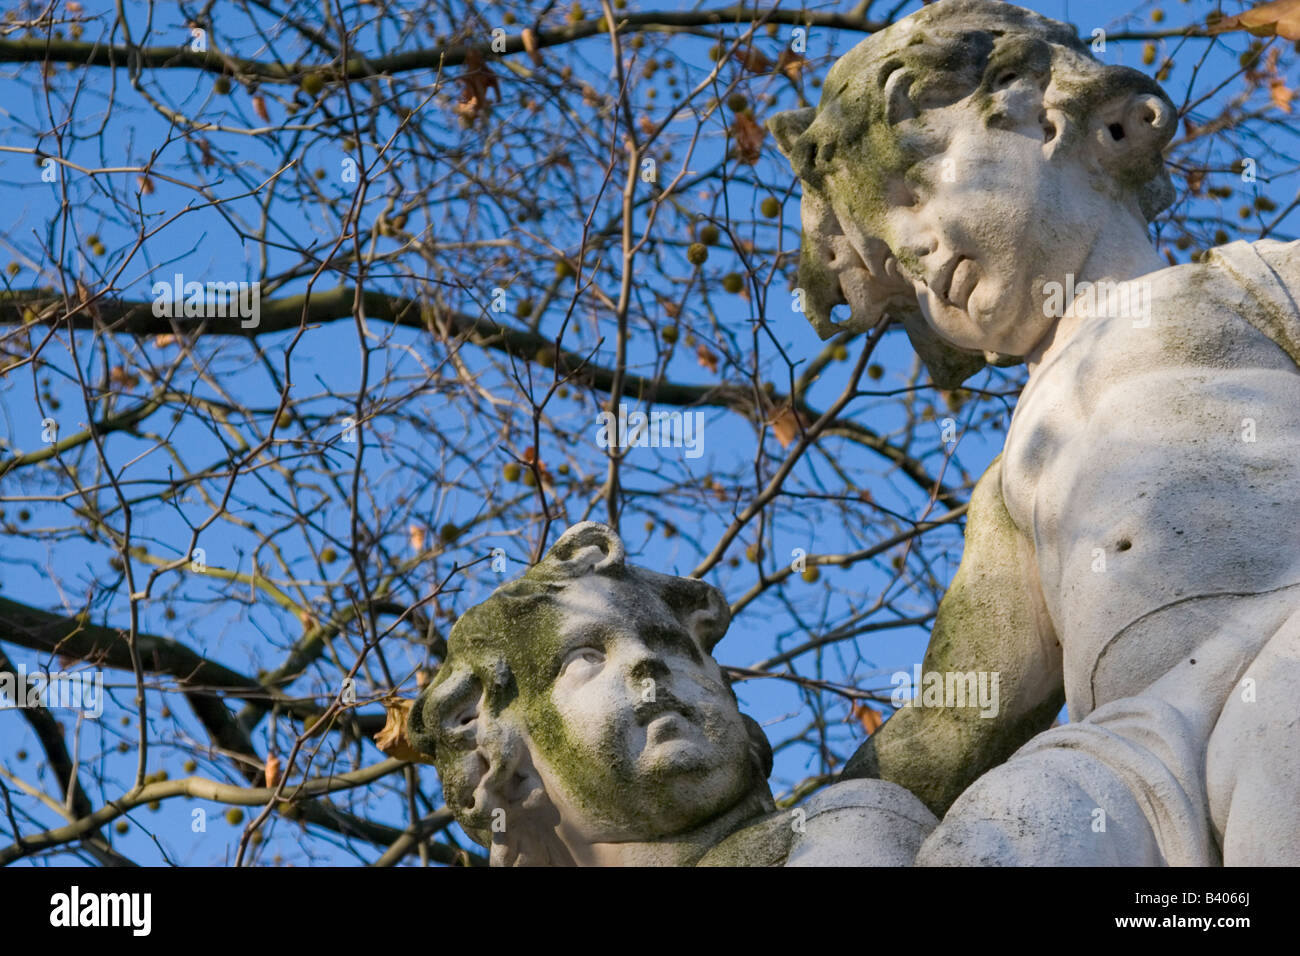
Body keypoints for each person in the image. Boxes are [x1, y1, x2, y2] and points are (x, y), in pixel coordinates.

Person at [770, 0, 1300, 864]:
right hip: (1131, 747)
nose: (918, 247)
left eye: (917, 186)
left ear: (1048, 115)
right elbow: (954, 718)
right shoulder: (1017, 477)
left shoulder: (1247, 285)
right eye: (896, 259)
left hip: (1286, 633)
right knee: (1010, 825)